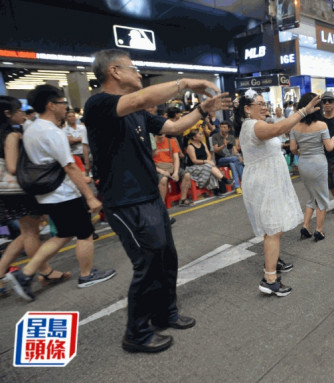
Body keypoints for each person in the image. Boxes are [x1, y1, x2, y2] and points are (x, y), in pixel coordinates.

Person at [82, 48, 232, 353]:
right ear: (114, 72)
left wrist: (203, 110)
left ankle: (166, 314)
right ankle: (136, 334)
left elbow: (175, 128)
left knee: (166, 258)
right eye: (133, 68)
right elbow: (140, 99)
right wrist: (187, 82)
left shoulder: (138, 111)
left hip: (150, 195)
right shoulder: (99, 103)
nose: (138, 73)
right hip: (124, 201)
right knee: (147, 263)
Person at [6, 85, 116, 302]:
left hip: (45, 193)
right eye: (62, 103)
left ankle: (25, 275)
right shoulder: (52, 132)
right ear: (51, 105)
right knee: (84, 232)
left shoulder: (31, 129)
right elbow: (70, 167)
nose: (66, 107)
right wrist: (90, 196)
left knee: (63, 234)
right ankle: (87, 275)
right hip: (63, 192)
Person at [235, 89, 320, 297]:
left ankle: (272, 261)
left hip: (270, 181)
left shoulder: (257, 125)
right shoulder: (253, 126)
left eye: (266, 104)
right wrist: (303, 111)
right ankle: (270, 279)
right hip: (264, 183)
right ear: (247, 109)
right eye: (260, 104)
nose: (264, 107)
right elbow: (280, 128)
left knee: (274, 226)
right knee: (272, 228)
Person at [0, 96, 71, 292]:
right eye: (18, 111)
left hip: (6, 193)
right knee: (31, 232)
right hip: (17, 190)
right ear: (7, 114)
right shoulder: (11, 135)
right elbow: (13, 167)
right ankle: (44, 272)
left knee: (25, 233)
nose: (22, 114)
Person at [289, 93, 334, 242]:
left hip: (303, 163)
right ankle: (319, 230)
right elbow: (329, 147)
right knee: (322, 198)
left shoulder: (295, 126)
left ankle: (305, 226)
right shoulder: (322, 125)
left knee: (311, 196)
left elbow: (292, 148)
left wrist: (301, 152)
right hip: (318, 163)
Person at [185, 128, 232, 196]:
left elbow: (209, 155)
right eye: (200, 134)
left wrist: (208, 161)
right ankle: (223, 180)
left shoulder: (203, 144)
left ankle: (217, 189)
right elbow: (194, 160)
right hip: (193, 167)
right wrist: (206, 161)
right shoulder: (190, 147)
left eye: (202, 134)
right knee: (209, 167)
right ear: (194, 137)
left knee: (209, 167)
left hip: (204, 165)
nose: (202, 135)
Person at [153, 132, 192, 206]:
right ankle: (162, 204)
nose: (161, 134)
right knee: (163, 179)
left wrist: (176, 172)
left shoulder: (171, 141)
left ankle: (183, 199)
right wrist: (162, 171)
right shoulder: (151, 143)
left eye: (162, 132)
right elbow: (149, 161)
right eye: (159, 133)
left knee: (186, 175)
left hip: (171, 167)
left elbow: (176, 158)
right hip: (157, 168)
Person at [212, 121, 244, 191]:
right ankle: (244, 182)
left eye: (225, 127)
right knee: (236, 159)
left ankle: (237, 186)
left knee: (233, 163)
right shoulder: (215, 136)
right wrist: (224, 145)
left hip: (232, 159)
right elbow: (216, 150)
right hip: (221, 159)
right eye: (221, 127)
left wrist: (238, 155)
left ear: (228, 129)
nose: (222, 129)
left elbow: (234, 150)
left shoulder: (231, 137)